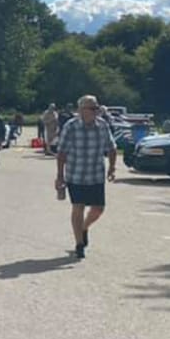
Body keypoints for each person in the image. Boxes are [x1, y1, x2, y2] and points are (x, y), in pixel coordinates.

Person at [55, 94, 117, 259]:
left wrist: (112, 167)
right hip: (75, 174)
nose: (96, 111)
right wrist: (60, 176)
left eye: (96, 108)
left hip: (96, 174)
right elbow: (61, 152)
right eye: (92, 108)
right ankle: (79, 244)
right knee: (78, 207)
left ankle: (84, 227)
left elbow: (111, 147)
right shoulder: (71, 126)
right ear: (81, 110)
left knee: (98, 209)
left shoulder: (102, 125)